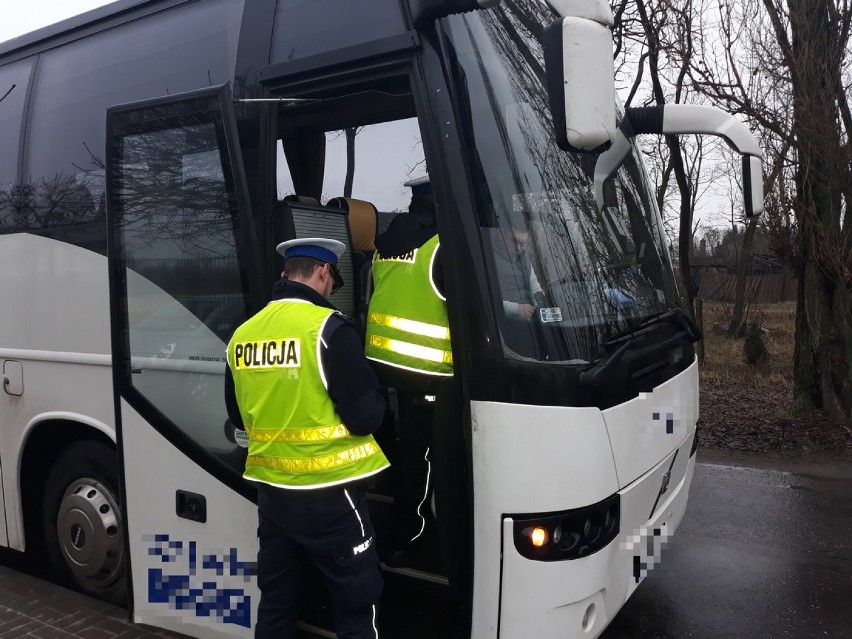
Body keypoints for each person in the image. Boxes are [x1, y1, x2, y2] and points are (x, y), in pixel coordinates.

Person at [224, 238, 389, 639]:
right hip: (331, 496)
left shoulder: (243, 335)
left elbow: (236, 416)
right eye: (333, 278)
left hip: (273, 495)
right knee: (357, 601)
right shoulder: (329, 328)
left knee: (277, 602)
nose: (332, 286)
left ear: (286, 274)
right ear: (321, 272)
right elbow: (365, 416)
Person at [364, 176, 452, 566]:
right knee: (421, 461)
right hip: (426, 373)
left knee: (397, 457)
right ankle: (403, 540)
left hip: (381, 369)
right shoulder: (441, 247)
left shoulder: (384, 245)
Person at [490, 218, 544, 319]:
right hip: (502, 323)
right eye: (514, 241)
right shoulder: (487, 257)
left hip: (531, 322)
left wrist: (543, 305)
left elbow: (535, 290)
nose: (519, 248)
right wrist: (516, 309)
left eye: (523, 243)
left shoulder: (525, 258)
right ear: (501, 234)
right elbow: (485, 300)